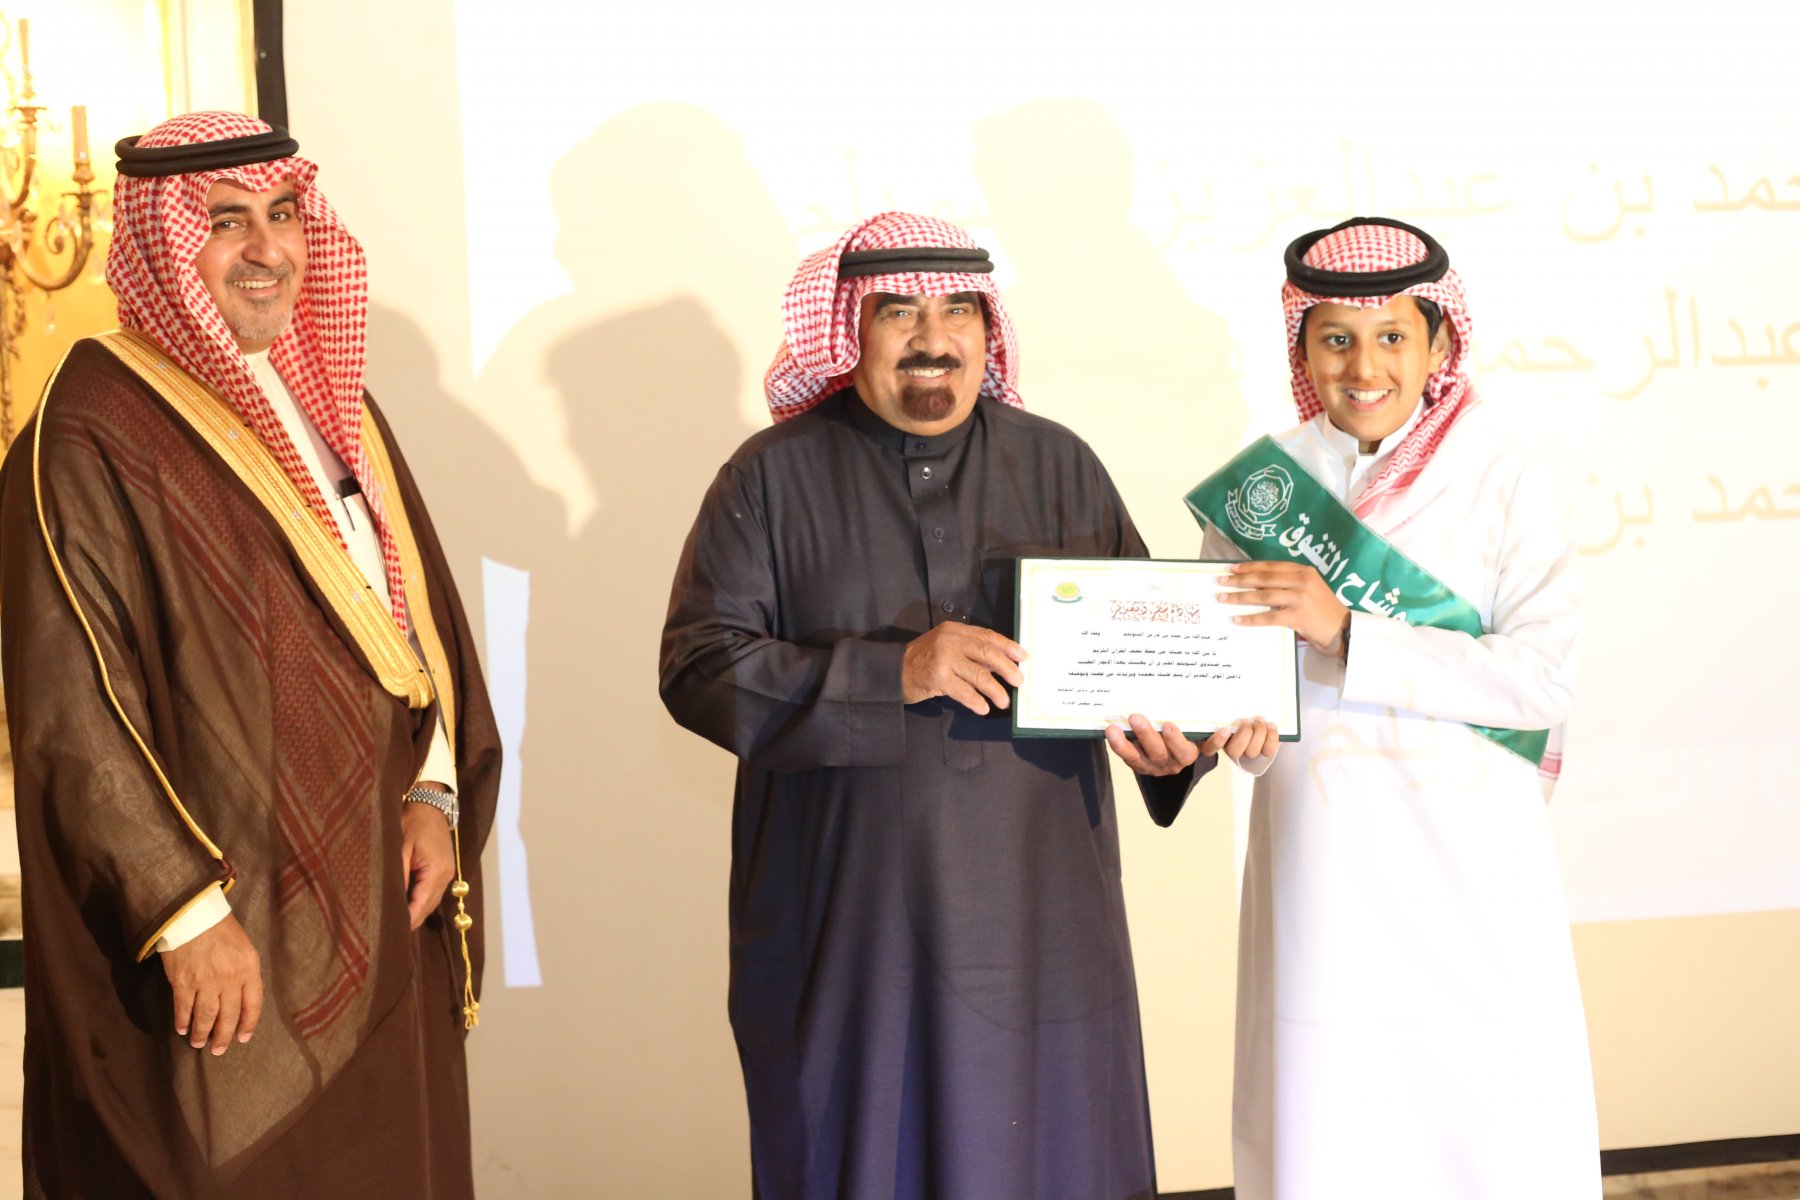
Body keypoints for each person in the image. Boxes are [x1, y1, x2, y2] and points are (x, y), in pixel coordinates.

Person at [660, 211, 1275, 1200]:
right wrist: (893, 672)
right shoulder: (768, 477)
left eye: (958, 310)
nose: (932, 338)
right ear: (848, 329)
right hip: (848, 927)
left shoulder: (1059, 464)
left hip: (1044, 920)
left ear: (991, 329)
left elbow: (1153, 669)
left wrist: (1179, 749)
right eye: (898, 312)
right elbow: (699, 668)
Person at [0, 112, 499, 1198]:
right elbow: (71, 712)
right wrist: (183, 910)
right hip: (225, 940)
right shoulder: (91, 427)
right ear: (164, 241)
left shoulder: (337, 408)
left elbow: (412, 629)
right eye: (226, 223)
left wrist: (434, 793)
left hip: (375, 906)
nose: (267, 249)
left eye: (283, 214)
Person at [1182, 217, 1598, 1198]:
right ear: (1303, 349)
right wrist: (1239, 733)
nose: (1363, 367)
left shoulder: (1502, 476)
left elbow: (1540, 678)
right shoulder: (1263, 489)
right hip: (1319, 857)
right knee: (1330, 1116)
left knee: (1483, 1123)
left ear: (1438, 342)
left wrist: (1346, 631)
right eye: (1336, 339)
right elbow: (1235, 691)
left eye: (1391, 338)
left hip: (1468, 855)